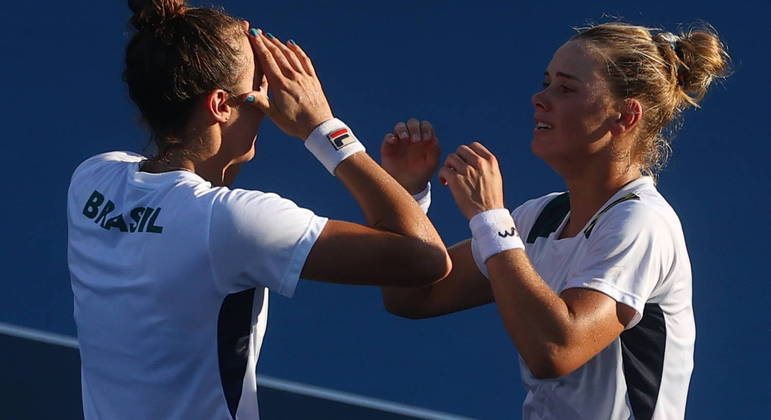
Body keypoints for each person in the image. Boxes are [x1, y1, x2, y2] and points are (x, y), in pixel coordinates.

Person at [66, 1, 451, 419]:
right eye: (260, 85)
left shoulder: (92, 180)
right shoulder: (232, 222)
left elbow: (190, 210)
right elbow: (426, 258)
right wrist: (322, 126)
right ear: (220, 105)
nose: (270, 100)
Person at [380, 22, 730, 419]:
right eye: (546, 82)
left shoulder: (642, 222)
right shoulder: (539, 218)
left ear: (624, 117)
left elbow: (556, 349)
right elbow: (412, 296)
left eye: (565, 88)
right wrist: (405, 193)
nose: (539, 98)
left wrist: (490, 216)